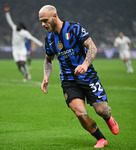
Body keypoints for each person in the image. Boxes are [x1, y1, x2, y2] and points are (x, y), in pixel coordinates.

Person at [39, 5, 119, 148]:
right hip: (68, 80)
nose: (43, 24)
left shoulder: (74, 28)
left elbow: (92, 47)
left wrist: (84, 65)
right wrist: (46, 76)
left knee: (102, 110)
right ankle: (101, 139)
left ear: (55, 16)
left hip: (88, 76)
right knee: (80, 113)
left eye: (45, 20)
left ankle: (108, 118)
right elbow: (48, 59)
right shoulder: (49, 39)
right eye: (41, 21)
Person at [4, 4, 43, 82]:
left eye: (19, 25)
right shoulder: (14, 28)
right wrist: (7, 12)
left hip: (22, 49)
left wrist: (41, 44)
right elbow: (9, 21)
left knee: (22, 63)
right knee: (18, 65)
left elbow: (32, 38)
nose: (17, 26)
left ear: (21, 27)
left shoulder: (25, 33)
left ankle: (27, 73)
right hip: (15, 49)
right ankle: (24, 75)